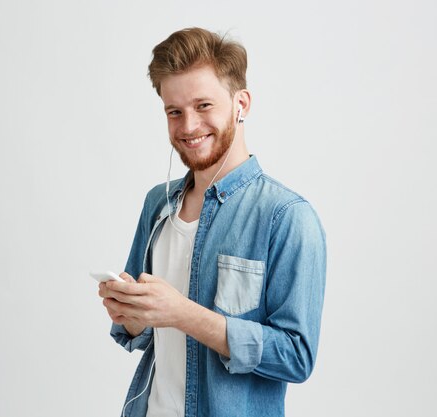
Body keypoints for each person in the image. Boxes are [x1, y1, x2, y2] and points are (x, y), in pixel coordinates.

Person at [98, 27, 326, 417]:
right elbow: (144, 334)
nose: (188, 126)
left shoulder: (287, 217)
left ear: (242, 104)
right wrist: (131, 315)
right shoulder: (157, 203)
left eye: (203, 106)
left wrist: (182, 313)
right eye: (175, 111)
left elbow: (296, 356)